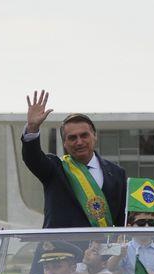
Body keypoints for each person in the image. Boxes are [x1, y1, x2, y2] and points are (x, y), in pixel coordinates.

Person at [21, 91, 127, 229]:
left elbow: (121, 221)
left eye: (84, 135)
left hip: (102, 249)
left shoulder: (117, 173)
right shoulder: (55, 168)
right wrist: (32, 128)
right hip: (61, 249)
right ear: (64, 143)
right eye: (72, 138)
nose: (79, 142)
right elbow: (32, 158)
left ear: (94, 136)